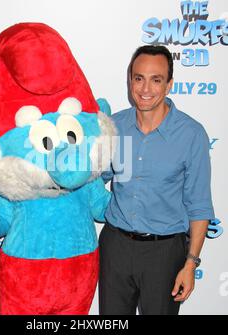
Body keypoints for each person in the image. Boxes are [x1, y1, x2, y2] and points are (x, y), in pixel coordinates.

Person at [99, 45, 215, 315]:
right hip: (115, 246)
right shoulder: (113, 127)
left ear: (169, 84)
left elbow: (199, 206)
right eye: (138, 78)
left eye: (156, 79)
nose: (145, 88)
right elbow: (92, 178)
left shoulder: (191, 134)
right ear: (130, 81)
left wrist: (190, 264)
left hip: (164, 253)